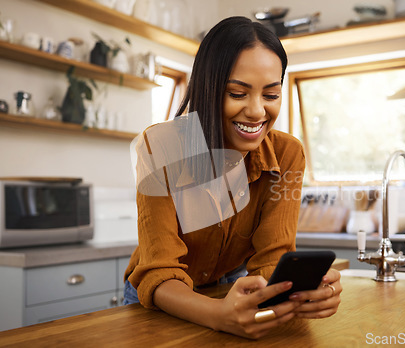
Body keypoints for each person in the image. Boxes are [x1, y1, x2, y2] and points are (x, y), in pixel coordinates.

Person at [124, 16, 342, 339]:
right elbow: (159, 270)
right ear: (207, 90)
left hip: (230, 294)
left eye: (271, 95)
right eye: (238, 94)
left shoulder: (287, 155)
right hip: (161, 299)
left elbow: (272, 260)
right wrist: (218, 315)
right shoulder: (159, 147)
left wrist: (300, 296)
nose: (257, 111)